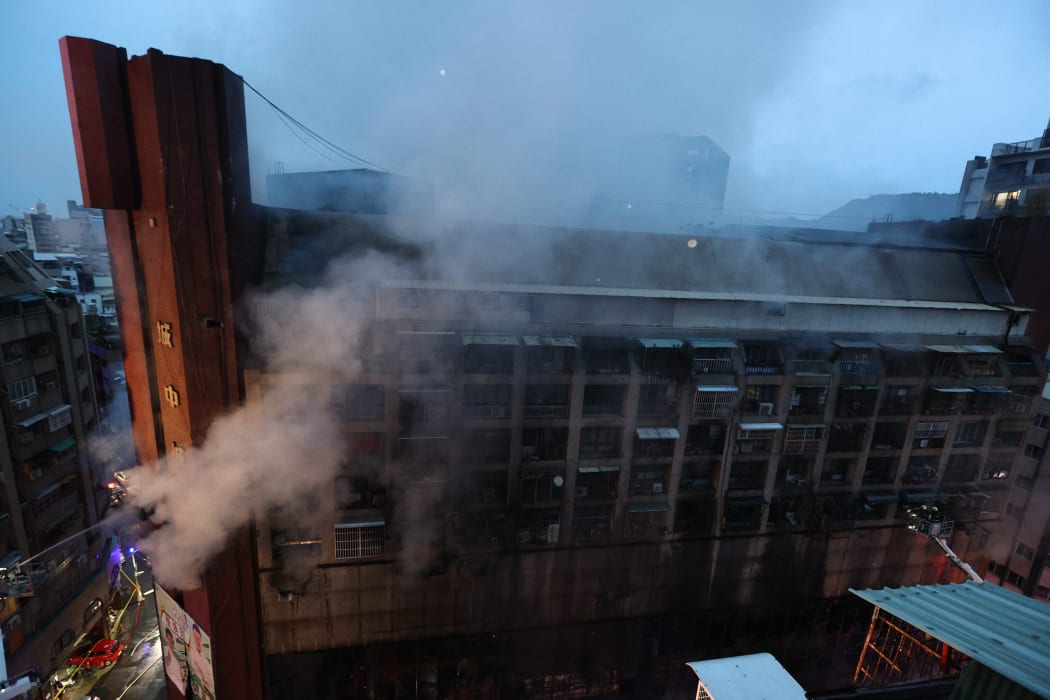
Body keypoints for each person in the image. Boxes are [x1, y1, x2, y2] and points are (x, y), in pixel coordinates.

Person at [161, 625, 187, 694]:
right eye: (168, 639)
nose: (170, 642)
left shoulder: (176, 652)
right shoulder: (166, 650)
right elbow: (167, 662)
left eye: (171, 640)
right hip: (176, 683)